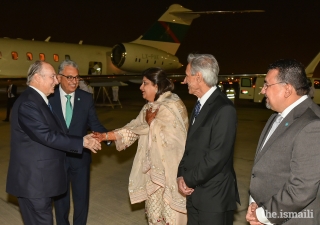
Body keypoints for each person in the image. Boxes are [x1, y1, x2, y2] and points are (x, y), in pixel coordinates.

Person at [6, 60, 101, 225]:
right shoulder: (29, 103)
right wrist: (82, 142)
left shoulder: (38, 100)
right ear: (37, 77)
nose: (56, 81)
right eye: (52, 77)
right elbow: (47, 136)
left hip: (38, 183)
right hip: (35, 184)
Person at [93, 67, 189, 224]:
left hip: (170, 174)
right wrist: (106, 136)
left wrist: (152, 123)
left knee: (171, 218)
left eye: (145, 83)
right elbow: (135, 128)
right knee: (154, 217)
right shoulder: (149, 107)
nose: (140, 87)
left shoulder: (172, 105)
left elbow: (175, 141)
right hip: (153, 175)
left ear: (156, 86)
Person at [246, 59, 320, 225]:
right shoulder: (276, 116)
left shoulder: (312, 125)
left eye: (267, 85)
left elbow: (302, 189)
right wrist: (255, 203)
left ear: (287, 89)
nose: (262, 90)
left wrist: (263, 214)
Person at [177, 54, 240, 225]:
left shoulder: (224, 109)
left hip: (214, 198)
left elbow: (217, 157)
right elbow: (190, 147)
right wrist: (181, 175)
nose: (184, 80)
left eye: (187, 75)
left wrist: (188, 179)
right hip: (194, 193)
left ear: (198, 77)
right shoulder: (199, 105)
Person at [49, 60, 110, 225]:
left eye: (76, 78)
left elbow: (95, 124)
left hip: (80, 158)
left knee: (81, 199)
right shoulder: (49, 98)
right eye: (69, 77)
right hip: (57, 158)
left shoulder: (86, 98)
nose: (74, 81)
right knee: (61, 200)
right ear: (59, 77)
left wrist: (109, 137)